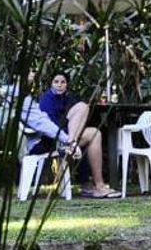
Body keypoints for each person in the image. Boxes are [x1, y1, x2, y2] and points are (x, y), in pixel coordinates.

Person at [35, 70, 119, 198]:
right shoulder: (46, 99)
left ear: (66, 84)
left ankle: (98, 186)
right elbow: (48, 126)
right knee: (83, 107)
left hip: (67, 137)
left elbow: (78, 120)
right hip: (52, 139)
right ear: (51, 84)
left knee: (95, 133)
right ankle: (72, 144)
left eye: (63, 82)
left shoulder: (68, 97)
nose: (59, 85)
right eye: (56, 82)